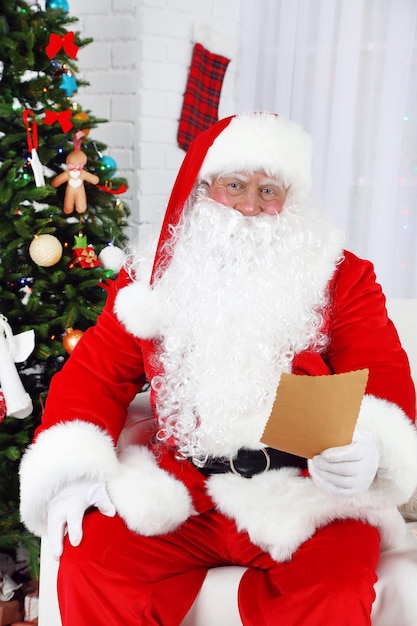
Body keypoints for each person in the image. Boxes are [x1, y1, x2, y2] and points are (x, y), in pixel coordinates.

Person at [20, 112, 417, 626]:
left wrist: (373, 446)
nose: (251, 206)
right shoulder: (153, 280)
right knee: (93, 566)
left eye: (269, 191)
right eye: (235, 185)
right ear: (202, 190)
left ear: (290, 199)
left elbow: (382, 372)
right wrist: (73, 471)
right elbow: (96, 374)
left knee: (332, 592)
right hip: (184, 488)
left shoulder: (342, 277)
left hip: (306, 491)